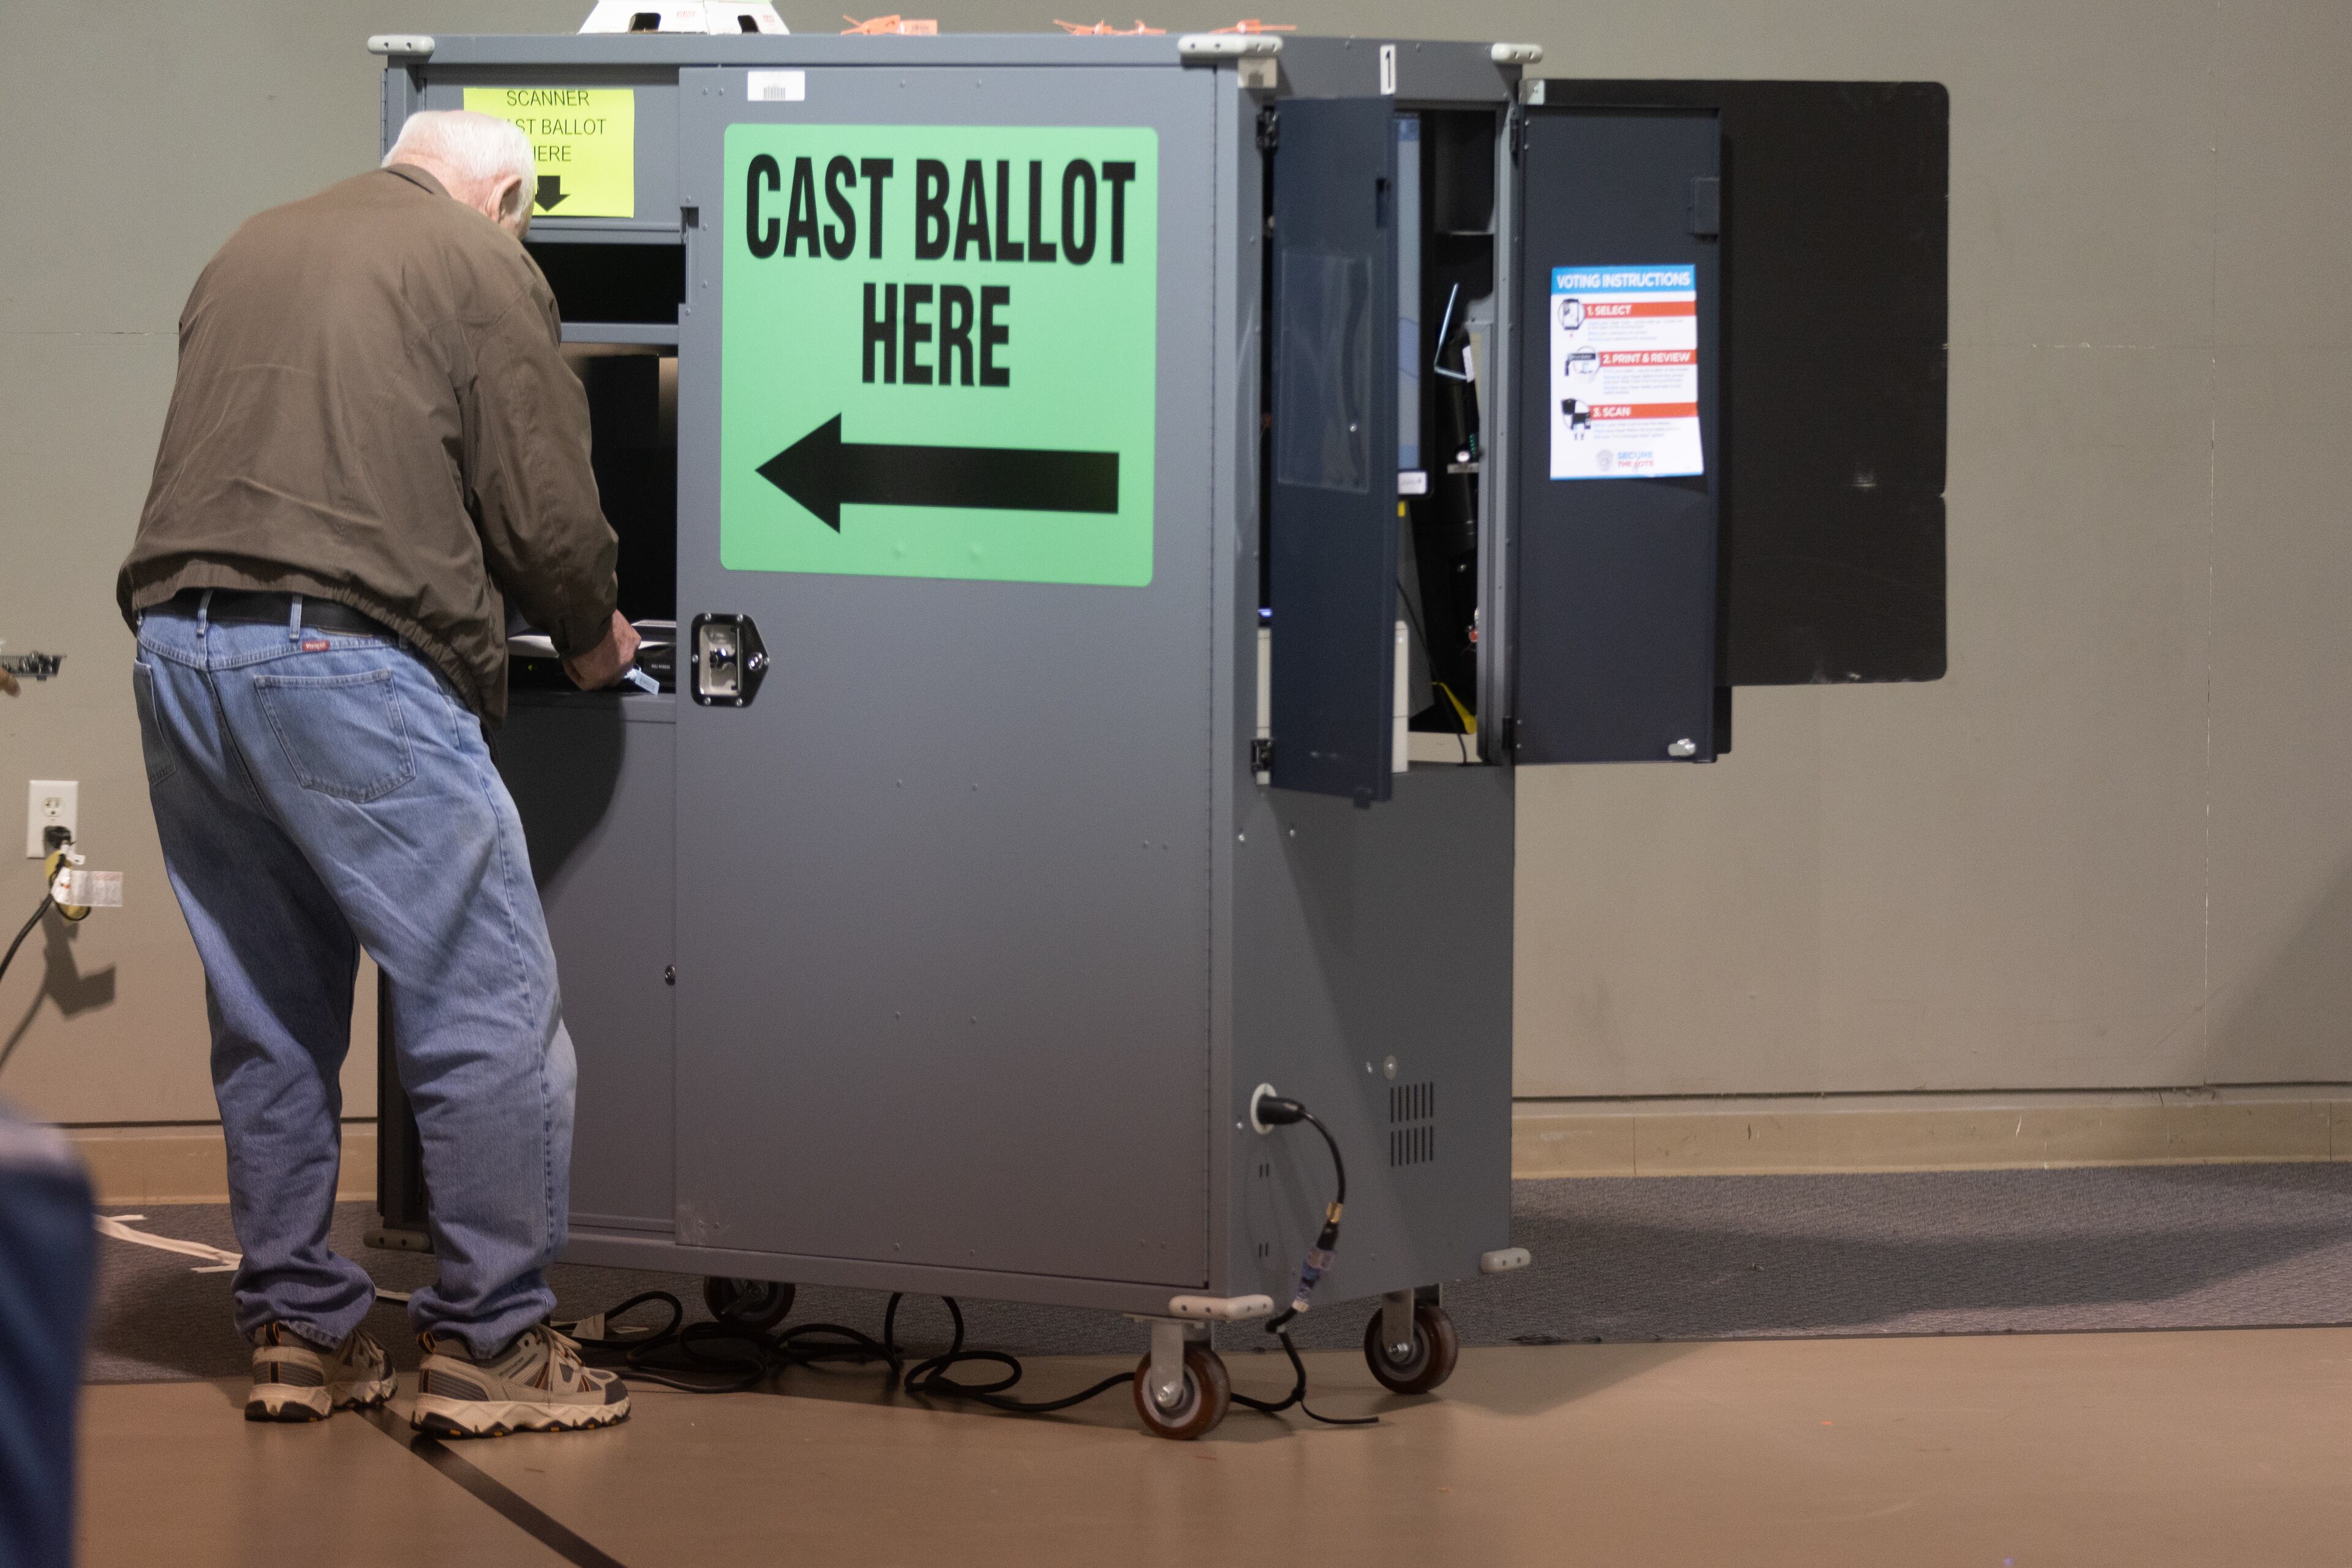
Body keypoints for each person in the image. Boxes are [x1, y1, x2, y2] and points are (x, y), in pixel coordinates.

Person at [116, 110, 638, 1436]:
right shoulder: (480, 263)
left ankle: (299, 1331)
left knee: (271, 1011)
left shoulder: (253, 243)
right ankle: (495, 1341)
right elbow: (542, 502)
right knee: (490, 1003)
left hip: (181, 651)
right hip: (344, 658)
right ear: (506, 195)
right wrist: (590, 635)